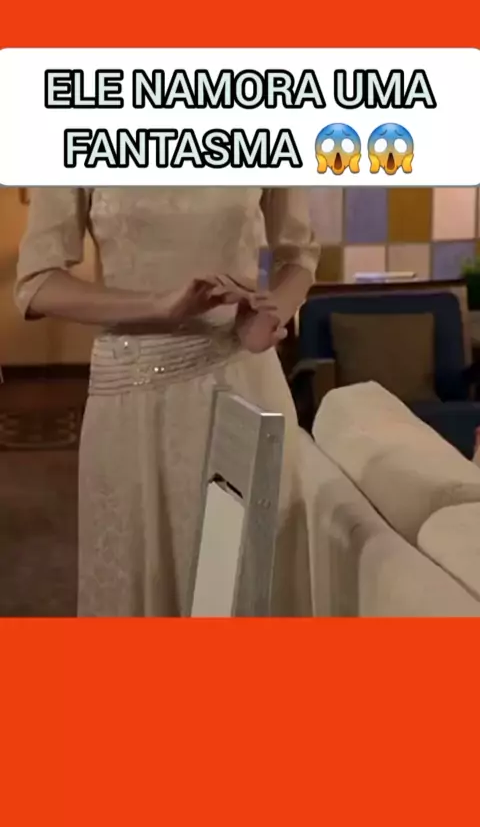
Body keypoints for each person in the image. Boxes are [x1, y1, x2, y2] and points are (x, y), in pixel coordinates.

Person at [16, 188, 319, 617]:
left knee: (245, 590)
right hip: (134, 400)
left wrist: (272, 313)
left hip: (244, 388)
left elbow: (300, 256)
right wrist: (160, 306)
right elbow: (36, 284)